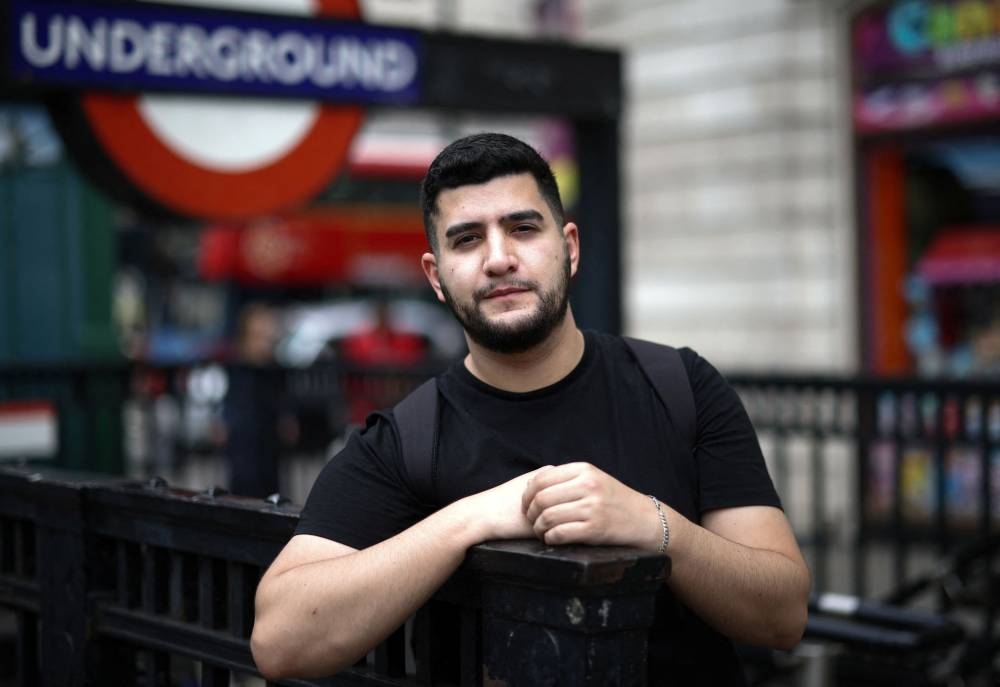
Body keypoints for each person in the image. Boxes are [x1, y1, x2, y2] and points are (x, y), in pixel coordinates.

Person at [251, 133, 810, 684]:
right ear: (436, 277)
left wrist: (657, 527)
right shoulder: (408, 440)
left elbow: (783, 615)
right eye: (467, 240)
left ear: (569, 247)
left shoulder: (680, 385)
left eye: (522, 228)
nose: (499, 258)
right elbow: (280, 641)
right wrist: (470, 519)